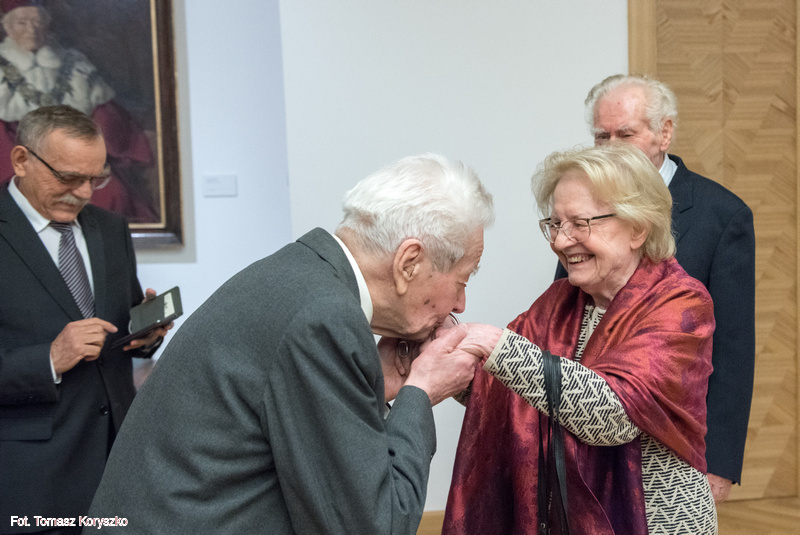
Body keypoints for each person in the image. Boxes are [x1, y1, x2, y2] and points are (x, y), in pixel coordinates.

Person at [87, 153, 494, 533]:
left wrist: (375, 389)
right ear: (409, 263)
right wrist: (419, 393)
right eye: (463, 280)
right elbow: (375, 524)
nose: (460, 304)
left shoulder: (300, 274)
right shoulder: (325, 317)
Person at [444, 144, 717, 534]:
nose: (560, 241)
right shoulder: (561, 300)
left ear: (638, 227)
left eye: (579, 223)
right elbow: (502, 389)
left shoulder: (681, 304)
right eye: (555, 224)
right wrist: (441, 343)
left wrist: (492, 343)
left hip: (658, 521)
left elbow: (612, 415)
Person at [554, 73, 756, 502]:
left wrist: (719, 463)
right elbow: (564, 316)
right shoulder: (584, 206)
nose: (610, 147)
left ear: (664, 133)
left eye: (625, 134)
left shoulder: (722, 214)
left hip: (672, 448)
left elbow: (733, 350)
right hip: (588, 436)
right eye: (601, 136)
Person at [0, 105, 169, 534]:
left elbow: (118, 327)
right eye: (68, 177)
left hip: (116, 462)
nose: (83, 193)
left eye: (96, 179)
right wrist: (50, 359)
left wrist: (146, 335)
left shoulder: (110, 228)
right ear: (21, 160)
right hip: (29, 475)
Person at [0, 0, 158, 223]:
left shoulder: (74, 64)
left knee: (113, 193)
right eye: (22, 23)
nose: (31, 30)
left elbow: (106, 118)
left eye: (37, 22)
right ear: (7, 27)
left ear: (47, 25)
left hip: (79, 161)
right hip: (21, 165)